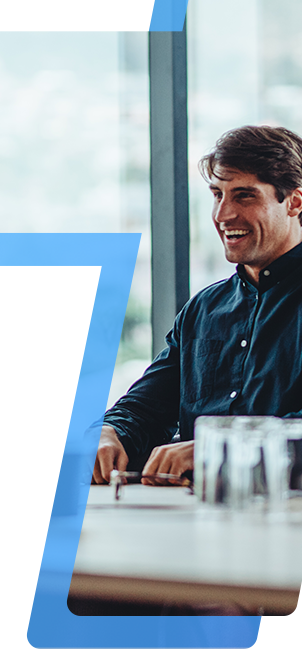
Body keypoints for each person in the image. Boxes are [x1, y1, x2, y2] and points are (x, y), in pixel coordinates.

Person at [94, 125, 302, 484]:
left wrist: (219, 449)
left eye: (244, 196)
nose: (223, 215)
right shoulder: (204, 310)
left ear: (295, 202)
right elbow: (147, 406)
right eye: (217, 195)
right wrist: (110, 432)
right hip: (192, 521)